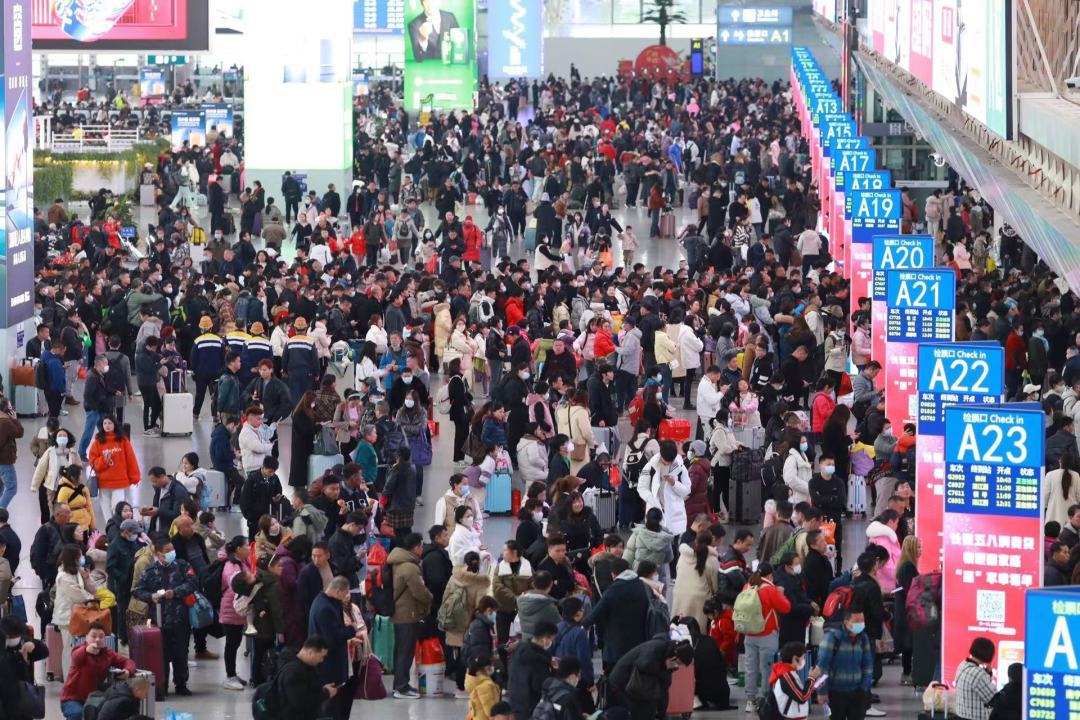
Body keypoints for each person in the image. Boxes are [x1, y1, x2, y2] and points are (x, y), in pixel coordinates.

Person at [132, 535, 197, 697]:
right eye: (167, 551)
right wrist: (151, 596)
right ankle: (162, 685)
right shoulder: (150, 572)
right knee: (161, 655)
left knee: (181, 653)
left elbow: (192, 583)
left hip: (180, 619)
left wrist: (175, 592)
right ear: (159, 554)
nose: (171, 553)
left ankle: (181, 684)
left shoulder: (183, 566)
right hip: (158, 621)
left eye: (172, 549)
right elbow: (137, 591)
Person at [307, 577, 362, 720]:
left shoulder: (322, 601)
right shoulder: (326, 609)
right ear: (338, 591)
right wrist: (351, 630)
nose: (347, 596)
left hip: (328, 662)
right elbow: (332, 637)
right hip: (329, 665)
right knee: (332, 707)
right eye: (345, 593)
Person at [59, 622, 136, 720]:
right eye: (94, 636)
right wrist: (86, 649)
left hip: (93, 699)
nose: (97, 639)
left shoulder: (108, 653)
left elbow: (129, 661)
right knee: (77, 714)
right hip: (72, 699)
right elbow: (76, 656)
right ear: (86, 637)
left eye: (101, 637)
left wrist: (128, 671)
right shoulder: (79, 650)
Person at [607, 635, 695, 720]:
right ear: (675, 656)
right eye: (679, 663)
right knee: (637, 712)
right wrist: (664, 666)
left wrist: (662, 713)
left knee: (649, 710)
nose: (677, 666)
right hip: (622, 682)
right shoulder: (656, 647)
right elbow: (643, 664)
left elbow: (664, 687)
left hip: (637, 687)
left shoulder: (668, 660)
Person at [389, 532, 433, 699]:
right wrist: (430, 598)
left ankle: (400, 685)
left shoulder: (398, 562)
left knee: (401, 650)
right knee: (405, 651)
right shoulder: (410, 567)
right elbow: (419, 591)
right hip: (407, 613)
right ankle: (401, 687)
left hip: (400, 612)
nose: (422, 549)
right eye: (421, 546)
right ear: (415, 547)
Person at [812, 608, 876, 720]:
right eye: (857, 621)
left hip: (857, 692)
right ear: (846, 622)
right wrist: (822, 692)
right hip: (835, 693)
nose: (861, 624)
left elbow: (868, 666)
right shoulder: (832, 638)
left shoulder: (863, 638)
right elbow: (822, 667)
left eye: (862, 620)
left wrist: (864, 688)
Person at [54, 544, 96, 678]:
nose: (82, 558)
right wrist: (92, 598)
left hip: (79, 616)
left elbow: (93, 589)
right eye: (80, 556)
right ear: (73, 558)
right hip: (67, 618)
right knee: (69, 649)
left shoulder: (77, 571)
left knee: (78, 649)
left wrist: (87, 577)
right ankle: (69, 679)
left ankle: (77, 678)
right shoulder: (63, 576)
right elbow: (78, 595)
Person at [276, 635, 341, 720]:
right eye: (321, 656)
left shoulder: (302, 665)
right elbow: (300, 702)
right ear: (311, 652)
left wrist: (322, 689)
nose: (322, 660)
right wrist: (326, 693)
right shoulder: (294, 672)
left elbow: (305, 690)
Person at [508, 619, 555, 720]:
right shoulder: (538, 660)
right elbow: (540, 686)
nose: (551, 642)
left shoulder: (520, 650)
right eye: (551, 639)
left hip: (516, 703)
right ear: (545, 639)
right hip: (531, 707)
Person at [672, 530, 719, 628]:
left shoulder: (683, 555)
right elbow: (715, 584)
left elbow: (677, 570)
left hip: (680, 592)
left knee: (679, 625)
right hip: (700, 598)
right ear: (711, 543)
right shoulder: (712, 560)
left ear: (696, 541)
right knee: (696, 628)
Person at [766, 641, 817, 720]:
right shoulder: (786, 676)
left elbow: (796, 692)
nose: (804, 660)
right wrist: (811, 678)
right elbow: (802, 697)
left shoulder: (788, 673)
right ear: (795, 658)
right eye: (803, 657)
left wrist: (812, 685)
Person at [955, 637, 999, 720]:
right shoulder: (979, 674)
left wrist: (988, 673)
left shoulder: (962, 665)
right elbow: (994, 699)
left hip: (961, 714)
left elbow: (982, 688)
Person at [465, 654, 502, 720]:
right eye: (491, 665)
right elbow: (489, 709)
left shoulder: (475, 681)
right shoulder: (486, 685)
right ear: (486, 667)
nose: (492, 667)